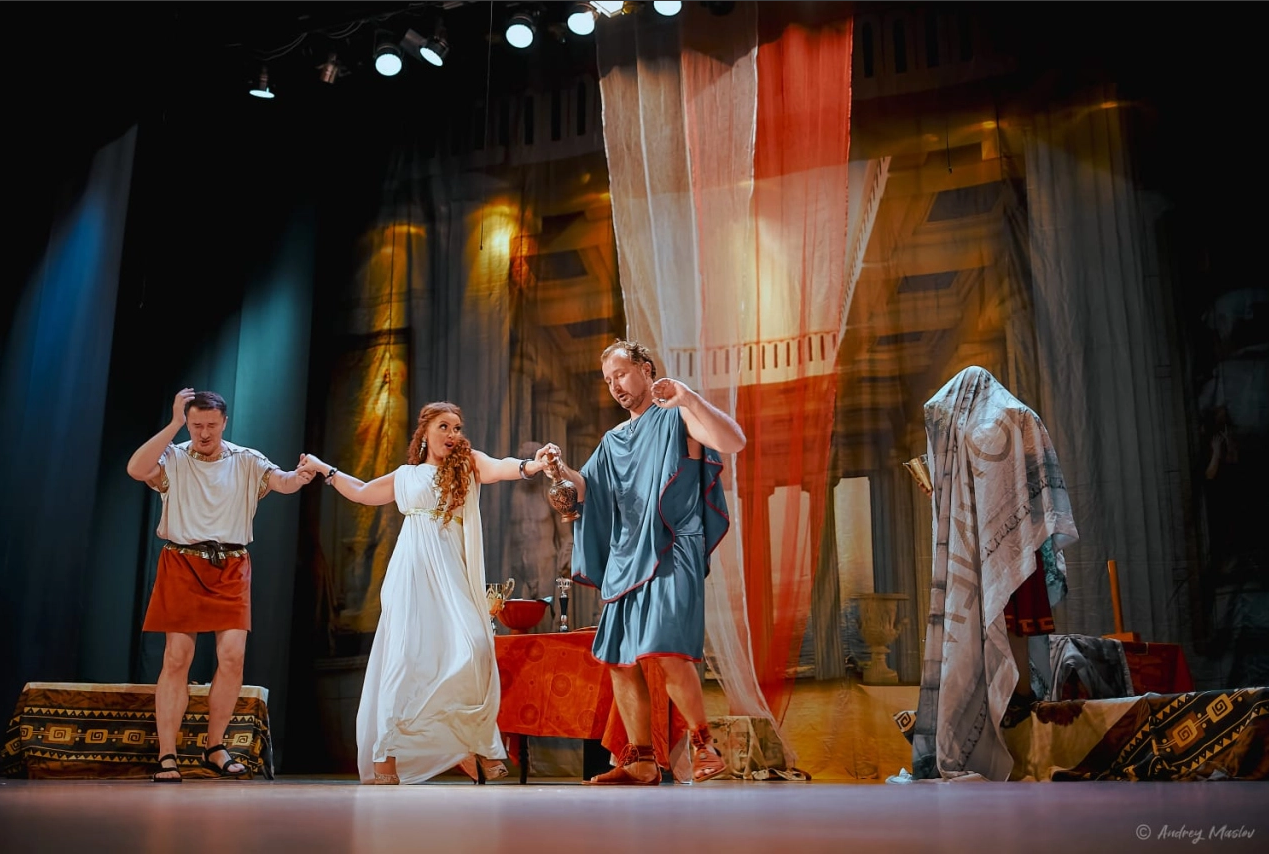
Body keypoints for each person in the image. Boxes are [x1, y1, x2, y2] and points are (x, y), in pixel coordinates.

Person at [298, 402, 556, 785]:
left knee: (474, 648)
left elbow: (499, 467)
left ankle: (471, 743)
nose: (452, 434)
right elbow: (363, 492)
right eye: (443, 426)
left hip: (451, 575)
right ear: (425, 432)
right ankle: (386, 757)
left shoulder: (467, 466)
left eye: (457, 427)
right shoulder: (406, 476)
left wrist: (530, 466)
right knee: (404, 659)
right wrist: (324, 469)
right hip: (411, 573)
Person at [546, 339, 745, 785]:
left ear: (646, 369)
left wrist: (688, 397)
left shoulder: (676, 415)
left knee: (668, 650)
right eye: (608, 381)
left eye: (620, 374)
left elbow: (734, 441)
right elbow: (586, 488)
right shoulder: (613, 440)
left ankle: (704, 746)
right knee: (620, 660)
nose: (615, 386)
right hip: (626, 556)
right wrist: (559, 471)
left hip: (672, 546)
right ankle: (640, 760)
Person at [126, 388, 315, 783]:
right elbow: (136, 469)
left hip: (230, 565)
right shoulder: (174, 456)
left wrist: (298, 477)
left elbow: (281, 481)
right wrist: (174, 424)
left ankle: (215, 747)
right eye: (196, 425)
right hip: (182, 561)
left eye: (211, 425)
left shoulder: (246, 459)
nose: (204, 432)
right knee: (177, 657)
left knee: (231, 657)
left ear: (224, 422)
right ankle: (167, 755)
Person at [911, 366, 1078, 781]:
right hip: (1009, 540)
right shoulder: (1012, 416)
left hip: (1008, 541)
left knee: (1009, 619)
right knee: (1006, 620)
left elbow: (1012, 480)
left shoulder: (998, 419)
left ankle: (1016, 701)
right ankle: (1013, 701)